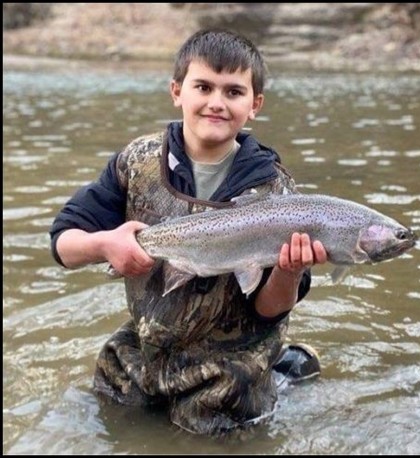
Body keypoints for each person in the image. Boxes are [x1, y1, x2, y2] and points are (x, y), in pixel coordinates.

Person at [49, 28, 328, 435]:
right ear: (177, 91)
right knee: (110, 417)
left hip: (232, 361)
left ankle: (282, 372)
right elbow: (62, 243)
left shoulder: (275, 190)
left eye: (233, 92)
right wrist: (104, 244)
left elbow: (269, 310)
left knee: (213, 433)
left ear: (255, 105)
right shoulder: (136, 162)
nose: (216, 103)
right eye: (203, 87)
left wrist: (288, 270)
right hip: (148, 345)